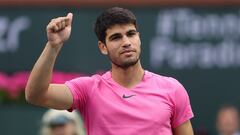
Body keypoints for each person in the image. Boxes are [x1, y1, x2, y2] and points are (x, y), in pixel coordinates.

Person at [25, 7, 194, 135]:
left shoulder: (172, 88)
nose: (126, 42)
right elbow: (36, 95)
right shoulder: (89, 89)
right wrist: (53, 45)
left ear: (139, 38)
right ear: (103, 47)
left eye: (131, 34)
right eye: (116, 37)